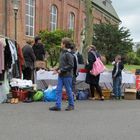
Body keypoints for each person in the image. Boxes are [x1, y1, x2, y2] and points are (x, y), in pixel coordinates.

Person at [49, 37, 74, 111]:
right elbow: (61, 65)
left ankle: (71, 105)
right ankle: (58, 105)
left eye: (61, 43)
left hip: (67, 76)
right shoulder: (62, 53)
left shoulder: (68, 54)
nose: (60, 44)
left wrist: (61, 70)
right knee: (58, 90)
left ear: (64, 44)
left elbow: (71, 65)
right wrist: (56, 69)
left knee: (68, 90)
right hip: (61, 75)